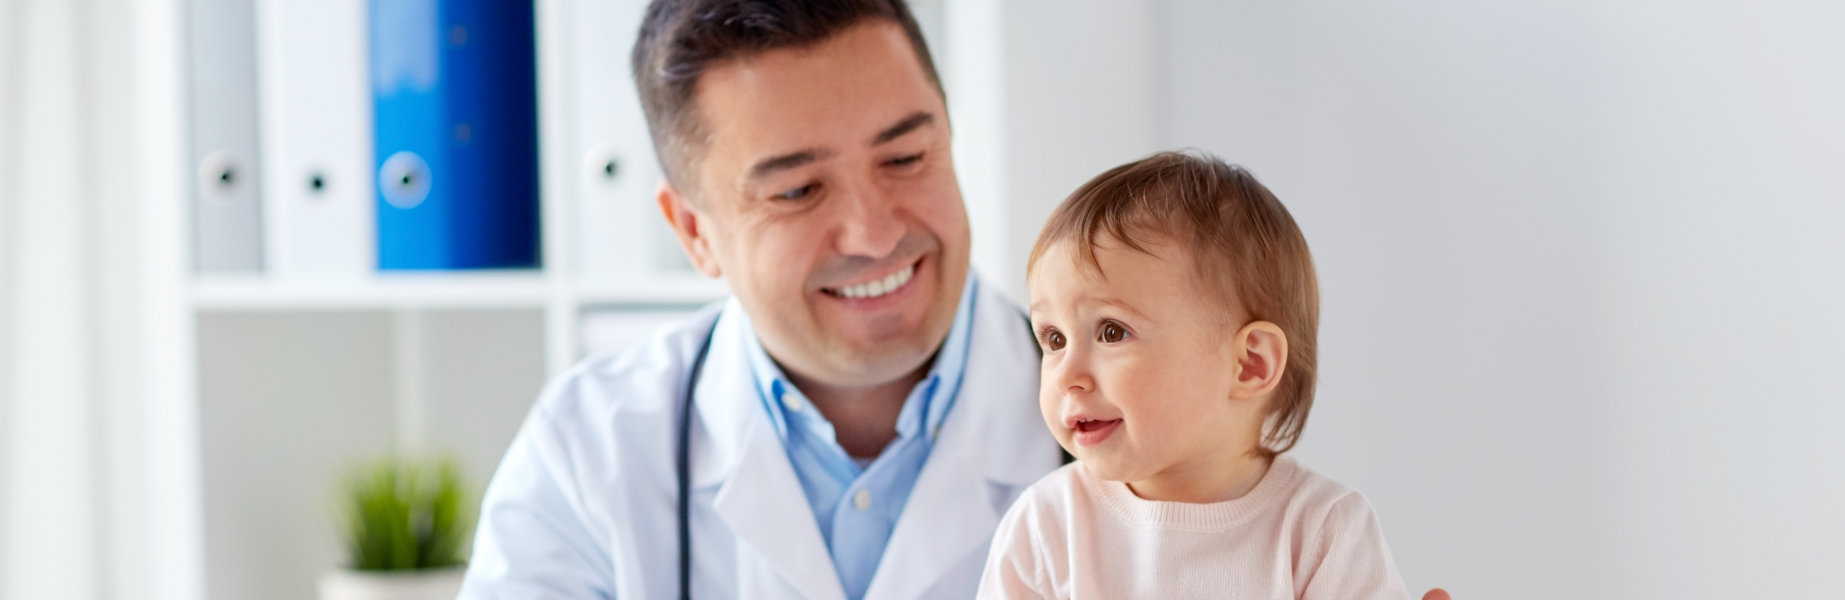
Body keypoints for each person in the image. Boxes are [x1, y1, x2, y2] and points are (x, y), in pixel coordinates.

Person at [458, 1, 1455, 599]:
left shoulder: (1177, 436)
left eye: (907, 154)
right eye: (798, 189)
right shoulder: (593, 453)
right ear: (693, 234)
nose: (876, 230)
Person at [978, 151, 1410, 599]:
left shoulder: (1323, 531)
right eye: (1053, 339)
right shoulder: (1046, 526)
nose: (1067, 374)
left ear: (1250, 364)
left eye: (1112, 332)